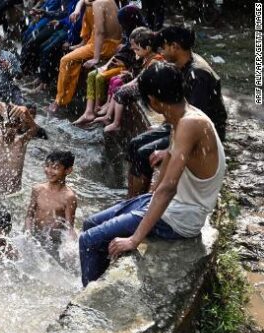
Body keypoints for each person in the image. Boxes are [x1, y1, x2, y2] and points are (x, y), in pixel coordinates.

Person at [79, 63, 226, 286]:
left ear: (154, 101)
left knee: (88, 241)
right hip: (172, 206)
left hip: (180, 216)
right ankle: (100, 275)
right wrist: (166, 155)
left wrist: (135, 239)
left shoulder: (188, 123)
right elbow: (172, 165)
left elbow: (168, 188)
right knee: (90, 224)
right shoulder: (184, 116)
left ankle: (88, 296)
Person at [124, 25, 228, 197]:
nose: (161, 52)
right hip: (181, 125)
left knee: (144, 154)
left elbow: (196, 122)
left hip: (204, 135)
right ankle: (131, 198)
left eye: (163, 47)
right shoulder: (181, 66)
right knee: (134, 145)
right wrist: (164, 126)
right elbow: (180, 106)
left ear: (175, 47)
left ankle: (140, 203)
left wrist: (170, 150)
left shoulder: (198, 74)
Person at [48, 0, 121, 113]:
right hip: (109, 42)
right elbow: (83, 1)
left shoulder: (98, 4)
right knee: (87, 6)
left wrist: (96, 58)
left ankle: (59, 100)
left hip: (104, 45)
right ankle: (83, 43)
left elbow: (100, 32)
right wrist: (77, 11)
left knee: (65, 60)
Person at [94, 26, 164, 132]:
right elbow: (138, 73)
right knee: (116, 82)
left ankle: (116, 123)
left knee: (120, 92)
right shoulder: (144, 56)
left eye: (137, 49)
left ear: (148, 48)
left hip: (150, 89)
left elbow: (141, 78)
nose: (134, 50)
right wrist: (129, 74)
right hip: (143, 83)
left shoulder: (155, 60)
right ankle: (108, 115)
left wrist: (128, 83)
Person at [0, 102, 39, 197]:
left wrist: (26, 111)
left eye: (13, 125)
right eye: (6, 125)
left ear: (19, 125)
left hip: (15, 192)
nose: (9, 129)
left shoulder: (21, 142)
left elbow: (34, 129)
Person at [25, 150, 78, 254]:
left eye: (55, 168)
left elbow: (69, 227)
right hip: (35, 234)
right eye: (47, 166)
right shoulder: (37, 189)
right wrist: (28, 234)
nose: (49, 171)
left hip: (54, 241)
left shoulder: (69, 197)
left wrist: (73, 247)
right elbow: (29, 215)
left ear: (68, 170)